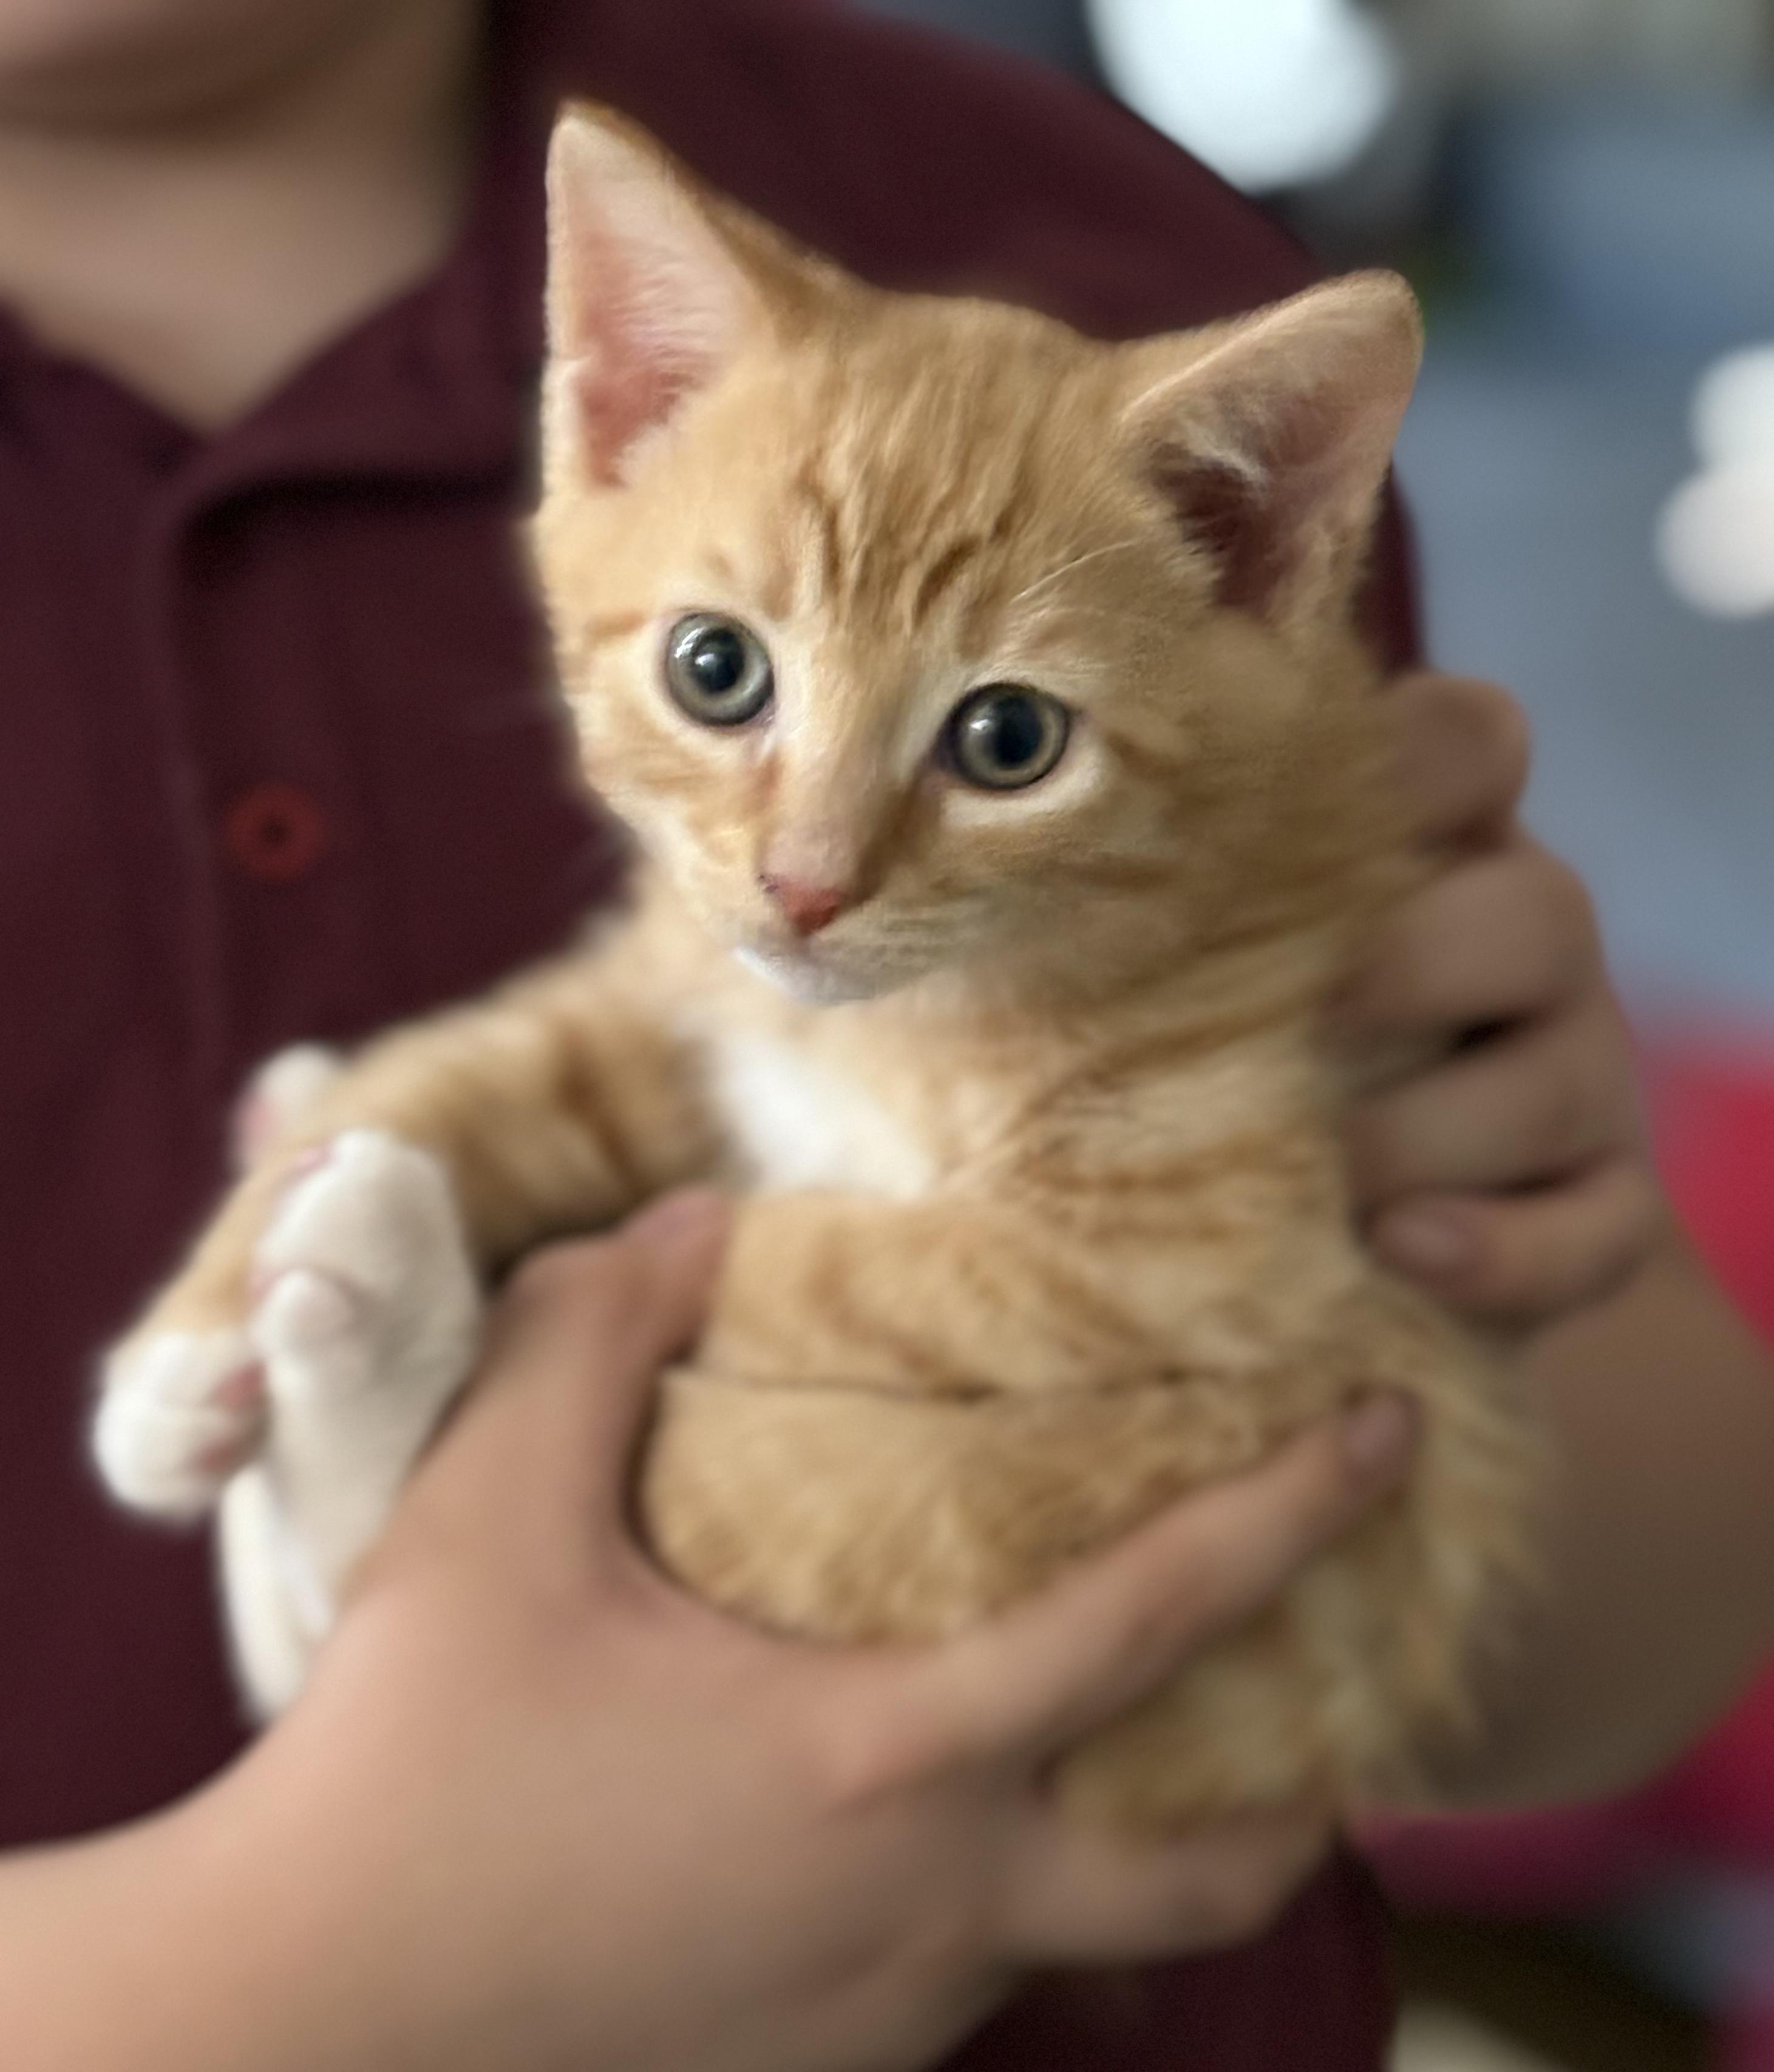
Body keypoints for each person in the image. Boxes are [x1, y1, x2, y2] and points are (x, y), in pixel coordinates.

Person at [0, 0, 1769, 2065]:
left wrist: (1530, 1257)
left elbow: (1596, 1597)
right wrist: (294, 1977)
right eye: (723, 678)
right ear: (619, 408)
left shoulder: (1112, 249)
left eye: (1002, 741)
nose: (808, 873)